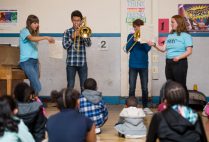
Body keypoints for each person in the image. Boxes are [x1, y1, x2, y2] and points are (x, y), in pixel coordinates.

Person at [148, 15, 193, 104]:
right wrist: (154, 44)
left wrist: (178, 57)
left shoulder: (186, 35)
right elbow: (163, 49)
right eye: (171, 22)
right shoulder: (170, 35)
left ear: (179, 23)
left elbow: (189, 51)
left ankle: (184, 107)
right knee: (170, 86)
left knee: (181, 86)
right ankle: (173, 107)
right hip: (169, 63)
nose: (171, 24)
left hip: (180, 62)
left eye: (172, 22)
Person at [19, 15, 55, 95]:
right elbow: (31, 38)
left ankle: (34, 102)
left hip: (34, 61)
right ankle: (32, 101)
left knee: (34, 84)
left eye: (37, 23)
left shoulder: (35, 34)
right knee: (37, 85)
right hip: (26, 62)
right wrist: (45, 37)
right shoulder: (24, 31)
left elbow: (33, 49)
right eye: (35, 23)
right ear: (29, 23)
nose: (37, 25)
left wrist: (37, 61)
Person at [125, 18, 152, 115]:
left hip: (144, 65)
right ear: (134, 27)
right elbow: (127, 49)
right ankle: (130, 107)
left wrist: (141, 40)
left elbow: (147, 49)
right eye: (136, 27)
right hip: (133, 65)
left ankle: (145, 107)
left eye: (139, 27)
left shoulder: (146, 37)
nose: (138, 29)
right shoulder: (130, 36)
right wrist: (133, 40)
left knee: (144, 88)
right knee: (132, 87)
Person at [62, 10, 91, 91]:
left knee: (84, 86)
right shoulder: (67, 32)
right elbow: (65, 46)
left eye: (78, 20)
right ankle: (69, 103)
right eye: (74, 20)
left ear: (81, 21)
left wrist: (83, 36)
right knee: (70, 86)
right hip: (71, 63)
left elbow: (88, 44)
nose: (76, 22)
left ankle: (83, 103)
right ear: (71, 20)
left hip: (82, 63)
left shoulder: (84, 30)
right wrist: (72, 37)